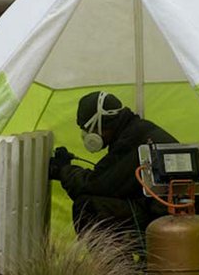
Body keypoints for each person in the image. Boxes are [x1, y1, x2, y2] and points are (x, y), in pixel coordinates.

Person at [48, 91, 179, 234]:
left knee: (87, 206)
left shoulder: (130, 139)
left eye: (86, 129)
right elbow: (108, 179)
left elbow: (96, 184)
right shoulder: (136, 130)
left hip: (164, 216)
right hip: (169, 210)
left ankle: (117, 257)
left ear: (98, 124)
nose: (86, 135)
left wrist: (63, 170)